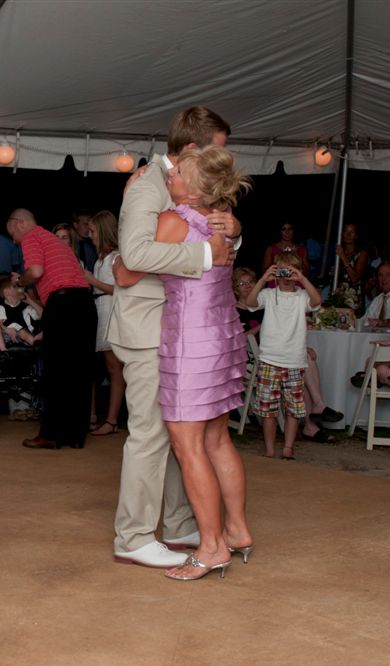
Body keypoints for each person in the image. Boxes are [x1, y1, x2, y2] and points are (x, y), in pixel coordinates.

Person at [106, 105, 238, 570]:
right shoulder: (148, 185)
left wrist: (233, 232)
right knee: (152, 434)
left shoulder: (191, 184)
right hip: (147, 326)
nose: (223, 163)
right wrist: (205, 255)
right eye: (216, 151)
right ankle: (134, 536)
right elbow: (134, 256)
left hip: (181, 328)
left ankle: (181, 522)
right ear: (191, 149)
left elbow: (214, 229)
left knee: (185, 430)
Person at [6, 209, 96, 449]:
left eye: (12, 234)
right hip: (85, 304)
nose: (14, 241)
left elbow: (35, 271)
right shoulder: (54, 241)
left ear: (20, 223)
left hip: (64, 303)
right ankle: (75, 436)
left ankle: (51, 434)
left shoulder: (32, 236)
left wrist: (20, 281)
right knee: (79, 371)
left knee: (56, 371)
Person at [245, 252, 322, 461]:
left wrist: (302, 279)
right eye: (282, 271)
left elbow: (317, 301)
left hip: (294, 360)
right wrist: (263, 279)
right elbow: (250, 302)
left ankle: (288, 447)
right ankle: (270, 449)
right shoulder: (269, 295)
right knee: (268, 410)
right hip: (270, 359)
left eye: (291, 271)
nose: (287, 276)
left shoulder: (302, 296)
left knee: (293, 409)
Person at [85, 210, 126, 437]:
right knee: (108, 367)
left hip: (111, 309)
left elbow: (119, 289)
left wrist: (91, 280)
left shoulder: (115, 257)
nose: (89, 235)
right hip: (101, 309)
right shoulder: (101, 258)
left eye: (92, 231)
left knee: (114, 368)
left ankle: (111, 420)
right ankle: (105, 417)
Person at [0, 275, 42, 351]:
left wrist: (31, 302)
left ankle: (37, 346)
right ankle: (4, 351)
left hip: (25, 336)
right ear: (7, 293)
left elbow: (44, 316)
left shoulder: (26, 306)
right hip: (6, 335)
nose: (21, 289)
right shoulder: (1, 308)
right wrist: (6, 329)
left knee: (22, 332)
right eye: (15, 287)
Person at [332, 222, 369, 314]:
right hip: (339, 296)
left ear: (356, 235)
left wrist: (343, 257)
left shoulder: (361, 253)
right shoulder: (338, 252)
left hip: (353, 299)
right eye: (346, 231)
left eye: (352, 232)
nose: (348, 235)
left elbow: (355, 278)